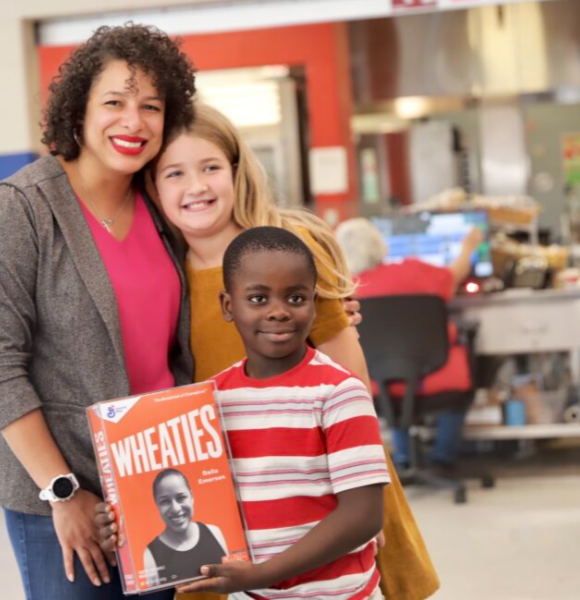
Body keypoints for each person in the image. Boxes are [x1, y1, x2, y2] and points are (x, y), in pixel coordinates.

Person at [102, 103, 440, 600]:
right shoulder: (161, 275)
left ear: (238, 171)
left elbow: (347, 373)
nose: (195, 186)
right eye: (174, 173)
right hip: (227, 493)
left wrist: (360, 509)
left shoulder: (287, 248)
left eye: (211, 167)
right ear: (152, 188)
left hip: (325, 477)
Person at [0, 24, 196, 600]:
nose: (133, 121)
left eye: (151, 106)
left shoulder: (163, 204)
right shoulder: (18, 208)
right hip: (59, 497)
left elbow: (231, 262)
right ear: (78, 110)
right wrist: (62, 491)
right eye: (114, 102)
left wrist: (323, 303)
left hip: (156, 481)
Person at [125, 226, 390, 599]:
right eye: (258, 298)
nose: (278, 312)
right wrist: (125, 521)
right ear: (228, 306)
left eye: (296, 298)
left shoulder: (339, 393)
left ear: (314, 304)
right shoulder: (208, 402)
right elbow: (191, 499)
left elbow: (363, 516)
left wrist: (261, 574)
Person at [335, 218, 483, 472]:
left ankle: (404, 457)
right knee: (462, 383)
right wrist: (469, 246)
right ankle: (442, 457)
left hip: (373, 388)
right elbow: (454, 275)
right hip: (438, 378)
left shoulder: (343, 290)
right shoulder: (415, 271)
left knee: (390, 378)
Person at [144, 469, 228, 588]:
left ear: (192, 497)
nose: (175, 508)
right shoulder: (150, 555)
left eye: (181, 497)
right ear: (157, 505)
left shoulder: (214, 532)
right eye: (165, 501)